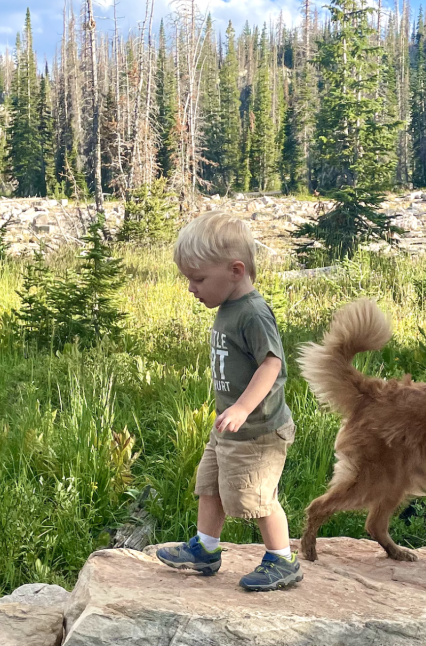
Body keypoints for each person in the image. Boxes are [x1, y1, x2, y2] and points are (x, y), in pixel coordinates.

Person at [156, 211, 301, 591]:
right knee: (210, 485)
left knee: (257, 496)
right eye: (189, 279)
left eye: (199, 278)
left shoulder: (252, 312)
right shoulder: (228, 307)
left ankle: (282, 558)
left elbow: (272, 364)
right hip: (228, 429)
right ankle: (206, 548)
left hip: (258, 431)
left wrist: (241, 407)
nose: (191, 288)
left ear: (236, 270)